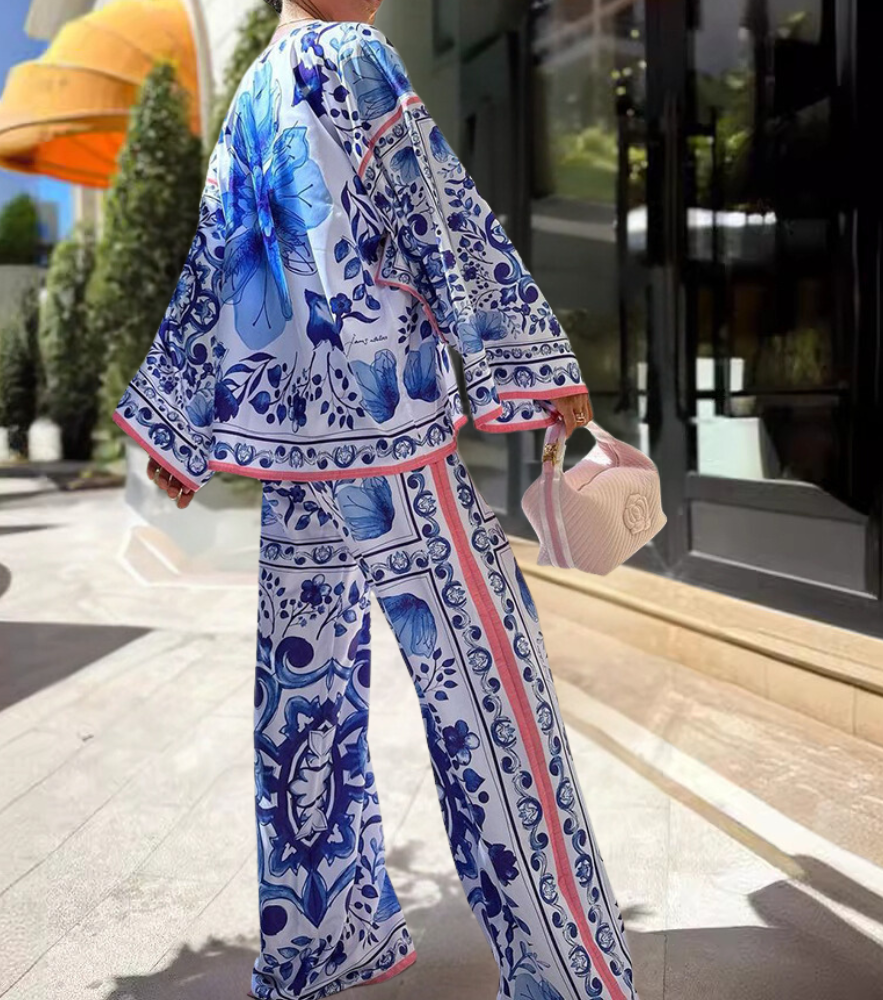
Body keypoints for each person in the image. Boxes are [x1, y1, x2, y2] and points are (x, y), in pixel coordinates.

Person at [110, 2, 638, 999]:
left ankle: (326, 940)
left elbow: (214, 265)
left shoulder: (256, 89)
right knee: (489, 688)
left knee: (304, 699)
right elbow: (434, 208)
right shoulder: (350, 55)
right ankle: (562, 974)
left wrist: (181, 423)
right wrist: (528, 362)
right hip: (389, 429)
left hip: (300, 451)